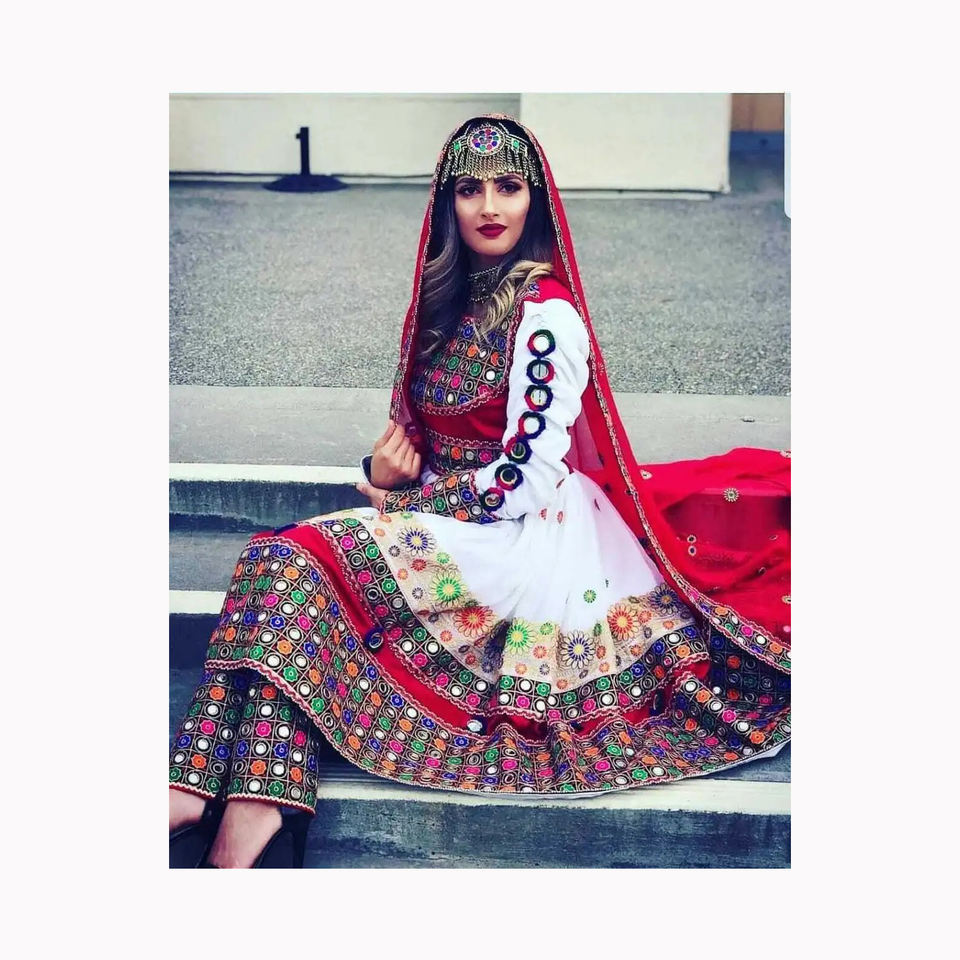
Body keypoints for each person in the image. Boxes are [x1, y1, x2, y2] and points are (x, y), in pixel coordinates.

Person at [169, 115, 791, 868]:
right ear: (448, 204)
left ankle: (209, 798)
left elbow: (527, 475)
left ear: (535, 201)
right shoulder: (445, 303)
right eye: (470, 189)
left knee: (289, 559)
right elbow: (420, 442)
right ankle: (242, 805)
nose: (490, 206)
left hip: (527, 541)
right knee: (281, 561)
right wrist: (384, 475)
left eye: (508, 187)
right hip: (458, 529)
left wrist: (403, 505)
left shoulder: (547, 318)